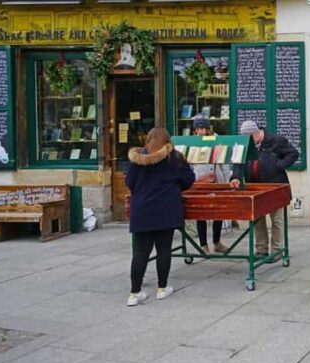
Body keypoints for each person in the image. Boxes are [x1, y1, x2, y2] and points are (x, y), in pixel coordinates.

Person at [126, 127, 195, 306]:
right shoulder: (174, 158)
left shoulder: (137, 158)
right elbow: (189, 179)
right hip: (166, 209)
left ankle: (135, 293)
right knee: (164, 250)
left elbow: (129, 183)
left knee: (140, 253)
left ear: (148, 139)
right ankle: (162, 288)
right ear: (167, 140)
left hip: (142, 210)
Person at [239, 120, 298, 256]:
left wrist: (279, 166)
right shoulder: (247, 144)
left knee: (276, 219)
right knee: (258, 219)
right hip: (255, 186)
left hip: (275, 186)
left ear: (256, 133)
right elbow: (239, 162)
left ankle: (277, 250)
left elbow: (293, 154)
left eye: (249, 138)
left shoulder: (276, 141)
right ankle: (261, 250)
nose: (248, 142)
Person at [191, 115, 241, 254]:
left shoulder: (218, 140)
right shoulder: (193, 142)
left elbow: (224, 163)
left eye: (201, 129)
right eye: (197, 129)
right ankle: (203, 245)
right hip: (200, 181)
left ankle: (216, 242)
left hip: (217, 179)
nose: (199, 132)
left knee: (218, 213)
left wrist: (226, 183)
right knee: (200, 214)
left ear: (208, 129)